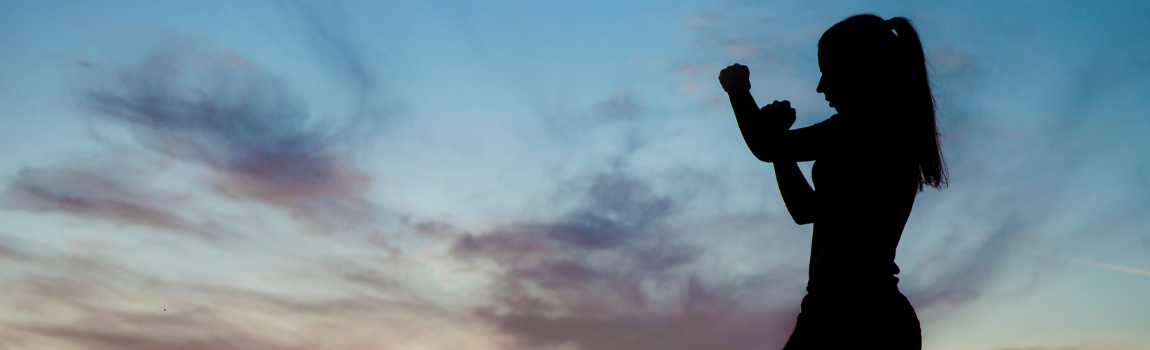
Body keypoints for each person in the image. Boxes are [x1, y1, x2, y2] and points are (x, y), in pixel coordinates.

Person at [718, 14, 947, 349]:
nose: (821, 86)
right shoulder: (887, 135)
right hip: (874, 312)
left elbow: (765, 145)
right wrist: (781, 145)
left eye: (830, 69)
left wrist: (737, 88)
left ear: (866, 66)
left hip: (846, 314)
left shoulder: (861, 129)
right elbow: (805, 209)